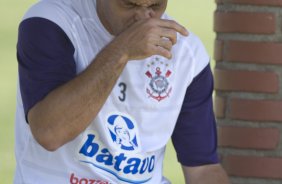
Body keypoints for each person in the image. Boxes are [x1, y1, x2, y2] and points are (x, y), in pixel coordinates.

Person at [15, 0, 230, 183]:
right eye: (129, 4)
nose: (145, 19)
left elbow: (202, 169)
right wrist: (122, 49)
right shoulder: (51, 22)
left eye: (155, 5)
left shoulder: (187, 53)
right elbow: (50, 133)